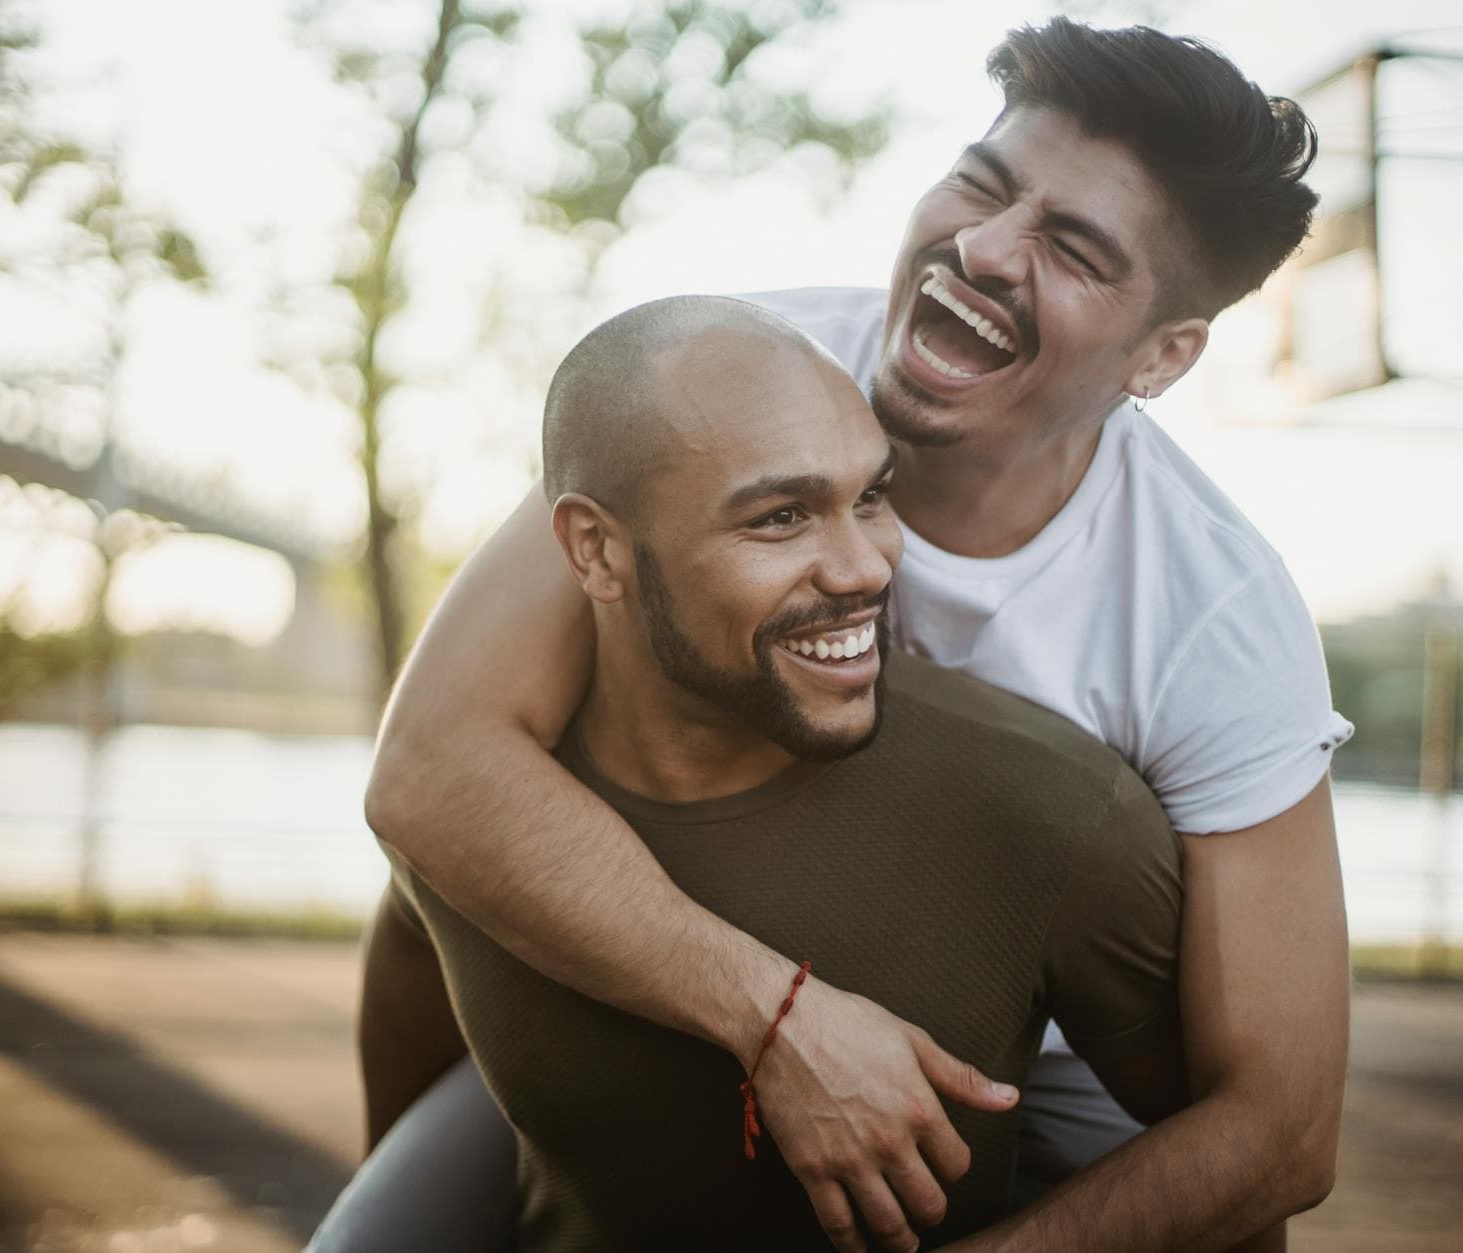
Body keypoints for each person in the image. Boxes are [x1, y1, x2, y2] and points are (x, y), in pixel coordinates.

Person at [364, 18, 1351, 1253]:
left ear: (1162, 355)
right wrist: (778, 1020)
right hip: (682, 961)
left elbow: (1279, 1124)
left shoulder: (1215, 620)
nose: (984, 249)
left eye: (1073, 249)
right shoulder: (722, 382)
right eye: (981, 185)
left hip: (1044, 1068)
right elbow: (431, 770)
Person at [318, 295, 1189, 1252]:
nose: (865, 567)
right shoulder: (490, 825)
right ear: (595, 549)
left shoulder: (1049, 809)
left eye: (870, 496)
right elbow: (410, 948)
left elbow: (1230, 1166)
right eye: (781, 517)